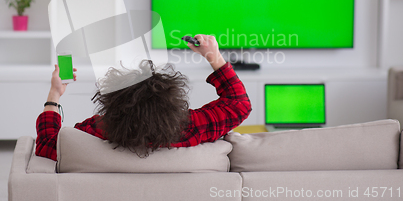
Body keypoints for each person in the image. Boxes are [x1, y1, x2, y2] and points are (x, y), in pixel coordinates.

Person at [35, 34, 252, 161]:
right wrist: (213, 56)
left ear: (113, 103)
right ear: (173, 101)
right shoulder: (191, 128)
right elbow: (239, 104)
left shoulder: (94, 132)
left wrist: (55, 93)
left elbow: (46, 144)